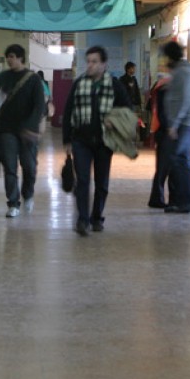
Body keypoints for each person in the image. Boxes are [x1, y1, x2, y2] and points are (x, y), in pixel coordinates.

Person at [62, 46, 131, 236]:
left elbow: (127, 108)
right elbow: (69, 111)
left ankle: (97, 217)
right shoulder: (79, 83)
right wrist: (67, 139)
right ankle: (82, 219)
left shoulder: (115, 85)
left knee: (102, 183)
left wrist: (114, 119)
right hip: (81, 140)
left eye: (94, 62)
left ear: (104, 64)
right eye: (88, 61)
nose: (90, 65)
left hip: (104, 142)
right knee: (82, 180)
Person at [0, 44, 44, 218]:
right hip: (7, 129)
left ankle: (28, 194)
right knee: (10, 167)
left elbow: (39, 106)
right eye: (7, 56)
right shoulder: (3, 77)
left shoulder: (33, 79)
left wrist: (31, 127)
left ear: (20, 58)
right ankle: (13, 203)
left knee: (29, 167)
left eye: (12, 56)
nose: (9, 59)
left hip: (27, 131)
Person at [162, 41, 190, 214]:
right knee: (180, 161)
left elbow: (185, 99)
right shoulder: (182, 72)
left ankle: (183, 202)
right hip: (184, 122)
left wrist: (174, 124)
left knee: (179, 161)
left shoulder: (183, 73)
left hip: (184, 123)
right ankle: (179, 201)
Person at [146, 73, 174, 208]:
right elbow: (163, 111)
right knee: (164, 167)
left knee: (164, 167)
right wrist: (169, 126)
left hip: (161, 129)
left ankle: (158, 197)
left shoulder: (161, 84)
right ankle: (156, 198)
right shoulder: (166, 85)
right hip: (164, 130)